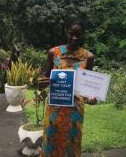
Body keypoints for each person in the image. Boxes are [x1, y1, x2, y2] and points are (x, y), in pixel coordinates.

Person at [40, 21, 96, 157]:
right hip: (55, 106)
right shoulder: (54, 53)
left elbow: (88, 86)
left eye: (78, 34)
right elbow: (45, 78)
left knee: (72, 142)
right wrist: (41, 82)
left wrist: (91, 97)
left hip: (75, 109)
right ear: (67, 33)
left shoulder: (88, 57)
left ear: (82, 35)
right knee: (51, 141)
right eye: (72, 34)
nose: (74, 38)